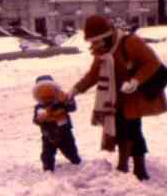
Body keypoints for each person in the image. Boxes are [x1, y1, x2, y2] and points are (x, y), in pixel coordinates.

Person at [68, 15, 167, 180]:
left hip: (136, 96)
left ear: (106, 36)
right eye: (92, 41)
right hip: (116, 98)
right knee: (121, 130)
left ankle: (138, 169)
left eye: (96, 40)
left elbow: (152, 63)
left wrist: (135, 81)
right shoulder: (102, 51)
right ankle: (124, 166)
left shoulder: (130, 42)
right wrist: (75, 90)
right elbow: (93, 75)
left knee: (133, 130)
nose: (94, 45)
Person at [33, 75, 81, 172]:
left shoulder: (61, 101)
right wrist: (39, 119)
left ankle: (76, 161)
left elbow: (72, 108)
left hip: (64, 133)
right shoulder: (39, 107)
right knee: (47, 154)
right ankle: (48, 168)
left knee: (70, 150)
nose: (47, 97)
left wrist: (68, 100)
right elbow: (36, 120)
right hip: (48, 135)